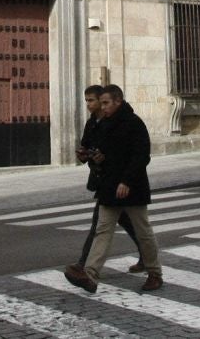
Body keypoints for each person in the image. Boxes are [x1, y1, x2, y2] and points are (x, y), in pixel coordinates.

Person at [63, 85, 162, 293]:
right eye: (102, 103)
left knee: (143, 231)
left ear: (118, 101)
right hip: (108, 186)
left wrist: (126, 181)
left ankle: (155, 273)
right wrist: (95, 157)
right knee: (102, 231)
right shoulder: (100, 124)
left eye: (106, 102)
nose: (103, 106)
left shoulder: (134, 123)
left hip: (132, 188)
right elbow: (101, 152)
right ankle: (90, 275)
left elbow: (141, 156)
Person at [75, 85, 140, 272]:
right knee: (127, 221)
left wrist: (124, 178)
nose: (89, 104)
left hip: (115, 181)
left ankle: (84, 265)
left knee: (99, 224)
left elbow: (133, 154)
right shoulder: (92, 123)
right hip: (103, 178)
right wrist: (84, 155)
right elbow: (86, 145)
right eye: (87, 100)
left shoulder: (117, 123)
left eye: (92, 100)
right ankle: (147, 255)